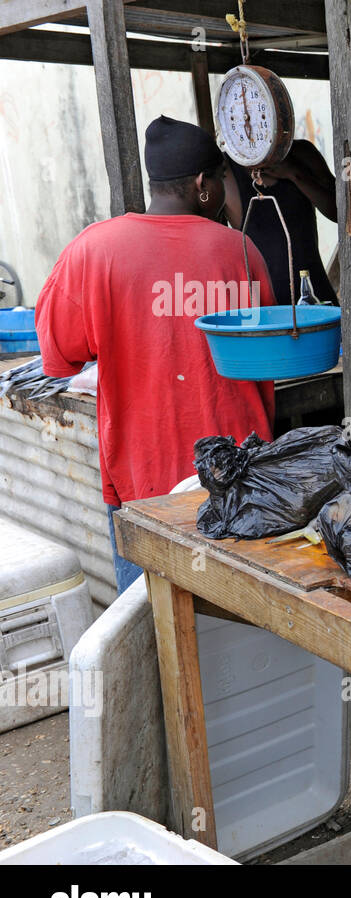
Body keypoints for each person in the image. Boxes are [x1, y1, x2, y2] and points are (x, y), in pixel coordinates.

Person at [36, 116, 277, 593]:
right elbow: (270, 353)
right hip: (242, 478)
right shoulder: (240, 251)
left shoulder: (92, 251)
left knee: (153, 631)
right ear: (204, 184)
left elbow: (60, 357)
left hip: (141, 481)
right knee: (247, 641)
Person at [224, 139, 337, 306]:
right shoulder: (224, 171)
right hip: (266, 308)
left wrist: (294, 174)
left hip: (314, 294)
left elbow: (342, 213)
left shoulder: (300, 153)